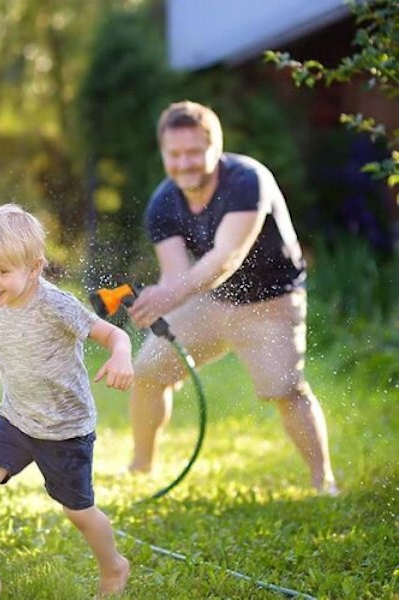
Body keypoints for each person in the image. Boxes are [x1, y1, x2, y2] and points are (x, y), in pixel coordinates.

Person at [128, 100, 338, 495]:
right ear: (163, 153)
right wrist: (158, 300)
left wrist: (173, 293)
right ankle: (140, 468)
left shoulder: (246, 180)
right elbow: (175, 275)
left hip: (271, 302)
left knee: (285, 390)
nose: (184, 163)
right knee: (148, 370)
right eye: (174, 154)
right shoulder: (163, 203)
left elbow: (226, 258)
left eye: (194, 152)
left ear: (215, 147)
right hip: (210, 299)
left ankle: (323, 482)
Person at [0, 203, 132, 598]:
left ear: (35, 269)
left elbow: (114, 336)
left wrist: (121, 357)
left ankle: (115, 567)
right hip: (17, 418)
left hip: (65, 429)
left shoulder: (56, 305)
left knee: (79, 512)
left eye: (3, 271)